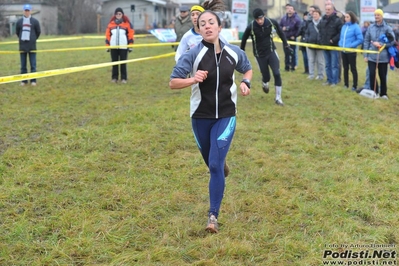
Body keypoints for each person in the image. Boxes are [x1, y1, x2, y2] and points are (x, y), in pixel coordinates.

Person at [169, 11, 252, 233]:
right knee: (213, 162)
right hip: (200, 118)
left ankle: (213, 217)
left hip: (226, 115)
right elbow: (173, 82)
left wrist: (246, 82)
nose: (206, 26)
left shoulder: (233, 52)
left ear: (219, 27)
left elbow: (248, 67)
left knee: (214, 165)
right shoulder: (192, 54)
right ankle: (220, 161)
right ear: (198, 29)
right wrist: (192, 79)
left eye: (211, 23)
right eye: (202, 24)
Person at [241, 8, 290, 106]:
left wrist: (286, 44)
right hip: (259, 55)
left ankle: (278, 98)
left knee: (276, 73)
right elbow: (244, 39)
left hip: (271, 52)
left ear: (264, 16)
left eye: (261, 19)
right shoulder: (251, 27)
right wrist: (242, 51)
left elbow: (280, 32)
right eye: (257, 19)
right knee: (266, 76)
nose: (259, 21)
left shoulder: (271, 22)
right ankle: (265, 82)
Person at [363, 9, 395, 99]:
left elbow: (392, 41)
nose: (376, 16)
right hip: (372, 56)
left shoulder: (387, 28)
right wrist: (365, 55)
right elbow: (366, 41)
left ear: (382, 16)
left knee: (382, 75)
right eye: (375, 15)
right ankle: (375, 91)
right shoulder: (371, 27)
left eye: (378, 15)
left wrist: (382, 45)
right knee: (372, 74)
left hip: (383, 57)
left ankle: (383, 93)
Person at [105, 7, 134, 84]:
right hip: (113, 46)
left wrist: (130, 46)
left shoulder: (127, 24)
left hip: (123, 47)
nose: (118, 15)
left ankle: (124, 78)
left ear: (122, 14)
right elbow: (108, 35)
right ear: (115, 15)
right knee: (114, 62)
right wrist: (107, 46)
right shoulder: (110, 24)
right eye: (117, 14)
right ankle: (114, 78)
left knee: (123, 63)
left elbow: (130, 35)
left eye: (119, 14)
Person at [15, 4, 41, 86]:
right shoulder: (19, 22)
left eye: (28, 10)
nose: (27, 12)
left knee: (33, 65)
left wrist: (33, 39)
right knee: (23, 65)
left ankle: (33, 81)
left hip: (32, 46)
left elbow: (38, 32)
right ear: (23, 11)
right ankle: (24, 81)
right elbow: (17, 32)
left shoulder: (35, 22)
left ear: (30, 11)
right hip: (22, 46)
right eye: (25, 10)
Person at [318, 4, 343, 86]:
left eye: (329, 9)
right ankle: (329, 80)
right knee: (327, 65)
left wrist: (334, 40)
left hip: (334, 46)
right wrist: (321, 41)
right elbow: (320, 31)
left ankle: (334, 81)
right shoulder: (323, 20)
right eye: (326, 9)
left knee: (334, 65)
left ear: (332, 10)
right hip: (325, 45)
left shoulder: (337, 20)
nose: (327, 11)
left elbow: (340, 33)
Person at [338, 11, 363, 91]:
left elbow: (360, 39)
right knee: (345, 68)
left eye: (347, 17)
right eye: (345, 17)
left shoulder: (356, 27)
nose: (346, 18)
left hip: (351, 52)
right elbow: (341, 38)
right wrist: (340, 44)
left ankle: (354, 85)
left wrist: (352, 45)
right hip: (343, 51)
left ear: (351, 17)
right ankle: (346, 84)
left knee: (353, 69)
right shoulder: (344, 27)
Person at [279, 4, 301, 72]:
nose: (289, 10)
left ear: (294, 10)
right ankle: (287, 67)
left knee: (293, 53)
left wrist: (295, 36)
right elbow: (279, 26)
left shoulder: (297, 19)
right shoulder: (283, 18)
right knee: (286, 53)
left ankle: (293, 67)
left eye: (291, 9)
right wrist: (282, 28)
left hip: (292, 39)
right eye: (288, 8)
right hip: (285, 38)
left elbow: (299, 29)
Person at [305, 7, 325, 81]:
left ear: (319, 15)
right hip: (311, 45)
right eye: (313, 14)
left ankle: (321, 75)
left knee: (320, 61)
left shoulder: (323, 23)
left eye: (316, 14)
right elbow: (306, 33)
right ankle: (311, 75)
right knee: (311, 60)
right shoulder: (310, 24)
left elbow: (324, 33)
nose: (314, 15)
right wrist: (307, 39)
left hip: (320, 46)